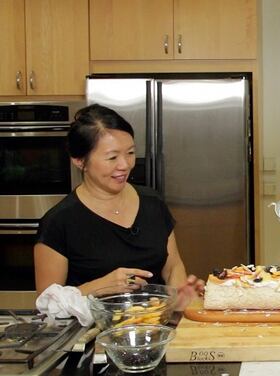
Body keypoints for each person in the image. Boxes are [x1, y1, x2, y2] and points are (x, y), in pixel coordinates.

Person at [34, 104, 204, 310]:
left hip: (155, 330)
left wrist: (179, 297)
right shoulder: (59, 221)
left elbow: (172, 266)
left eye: (130, 153)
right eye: (112, 157)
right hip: (92, 337)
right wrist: (101, 286)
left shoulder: (153, 203)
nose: (125, 165)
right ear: (80, 161)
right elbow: (47, 303)